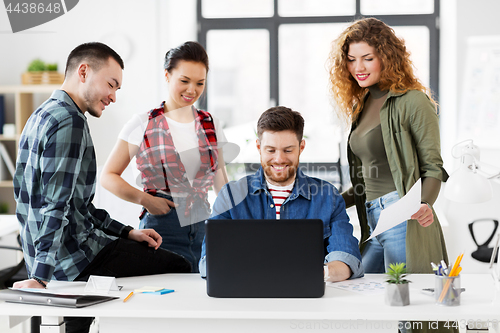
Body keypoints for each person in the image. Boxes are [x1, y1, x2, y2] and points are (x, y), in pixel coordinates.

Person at [13, 42, 191, 333]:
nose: (114, 96)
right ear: (83, 71)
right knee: (181, 269)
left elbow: (72, 205)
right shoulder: (69, 122)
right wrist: (41, 277)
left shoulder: (42, 114)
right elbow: (54, 207)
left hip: (54, 255)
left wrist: (127, 232)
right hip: (75, 256)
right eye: (111, 84)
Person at [327, 17, 450, 276]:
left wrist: (425, 203)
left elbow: (433, 167)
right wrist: (330, 203)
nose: (357, 67)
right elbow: (367, 178)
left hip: (402, 216)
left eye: (367, 58)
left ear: (386, 56)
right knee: (359, 296)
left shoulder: (414, 101)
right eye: (351, 59)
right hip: (370, 221)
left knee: (404, 306)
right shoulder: (361, 105)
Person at [100, 41, 228, 273]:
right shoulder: (142, 123)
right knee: (161, 297)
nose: (192, 90)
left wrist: (231, 223)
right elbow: (108, 176)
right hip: (160, 228)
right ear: (167, 76)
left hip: (203, 228)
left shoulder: (211, 124)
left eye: (200, 83)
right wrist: (145, 200)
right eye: (184, 81)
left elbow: (221, 183)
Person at [199, 106, 363, 282]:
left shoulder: (327, 196)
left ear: (301, 147)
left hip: (308, 298)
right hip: (246, 299)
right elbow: (208, 263)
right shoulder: (231, 196)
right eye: (270, 150)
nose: (279, 159)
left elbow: (347, 259)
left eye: (288, 150)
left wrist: (314, 274)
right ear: (258, 147)